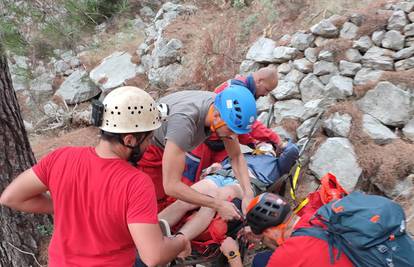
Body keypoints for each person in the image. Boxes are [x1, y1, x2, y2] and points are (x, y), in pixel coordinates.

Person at [0, 86, 190, 267]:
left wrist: (70, 204)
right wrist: (181, 241)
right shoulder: (136, 183)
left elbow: (11, 197)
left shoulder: (61, 157)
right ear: (130, 140)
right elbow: (153, 256)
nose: (149, 145)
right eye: (148, 138)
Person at [138, 85, 258, 221]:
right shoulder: (184, 122)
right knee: (151, 203)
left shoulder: (219, 107)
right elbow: (171, 186)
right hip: (148, 148)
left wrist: (248, 193)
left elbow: (236, 157)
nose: (233, 137)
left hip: (170, 142)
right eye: (231, 130)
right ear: (217, 116)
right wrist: (217, 204)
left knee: (177, 197)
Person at [158, 141, 299, 241]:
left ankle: (177, 242)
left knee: (216, 198)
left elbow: (292, 150)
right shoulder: (246, 153)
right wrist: (215, 166)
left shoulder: (276, 163)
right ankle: (150, 231)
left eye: (267, 145)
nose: (263, 145)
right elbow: (227, 161)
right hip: (220, 176)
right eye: (261, 143)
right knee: (187, 197)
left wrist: (278, 142)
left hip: (245, 184)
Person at [183, 67, 281, 187]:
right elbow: (249, 126)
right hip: (204, 140)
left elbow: (238, 129)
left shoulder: (244, 91)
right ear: (259, 81)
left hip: (223, 141)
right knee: (188, 179)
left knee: (217, 178)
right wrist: (275, 140)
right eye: (266, 90)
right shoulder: (237, 90)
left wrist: (254, 142)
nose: (265, 94)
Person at [220, 193, 353, 267]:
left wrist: (233, 255)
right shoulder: (314, 216)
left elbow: (293, 254)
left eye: (264, 235)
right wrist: (261, 237)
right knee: (261, 260)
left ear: (269, 232)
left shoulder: (284, 258)